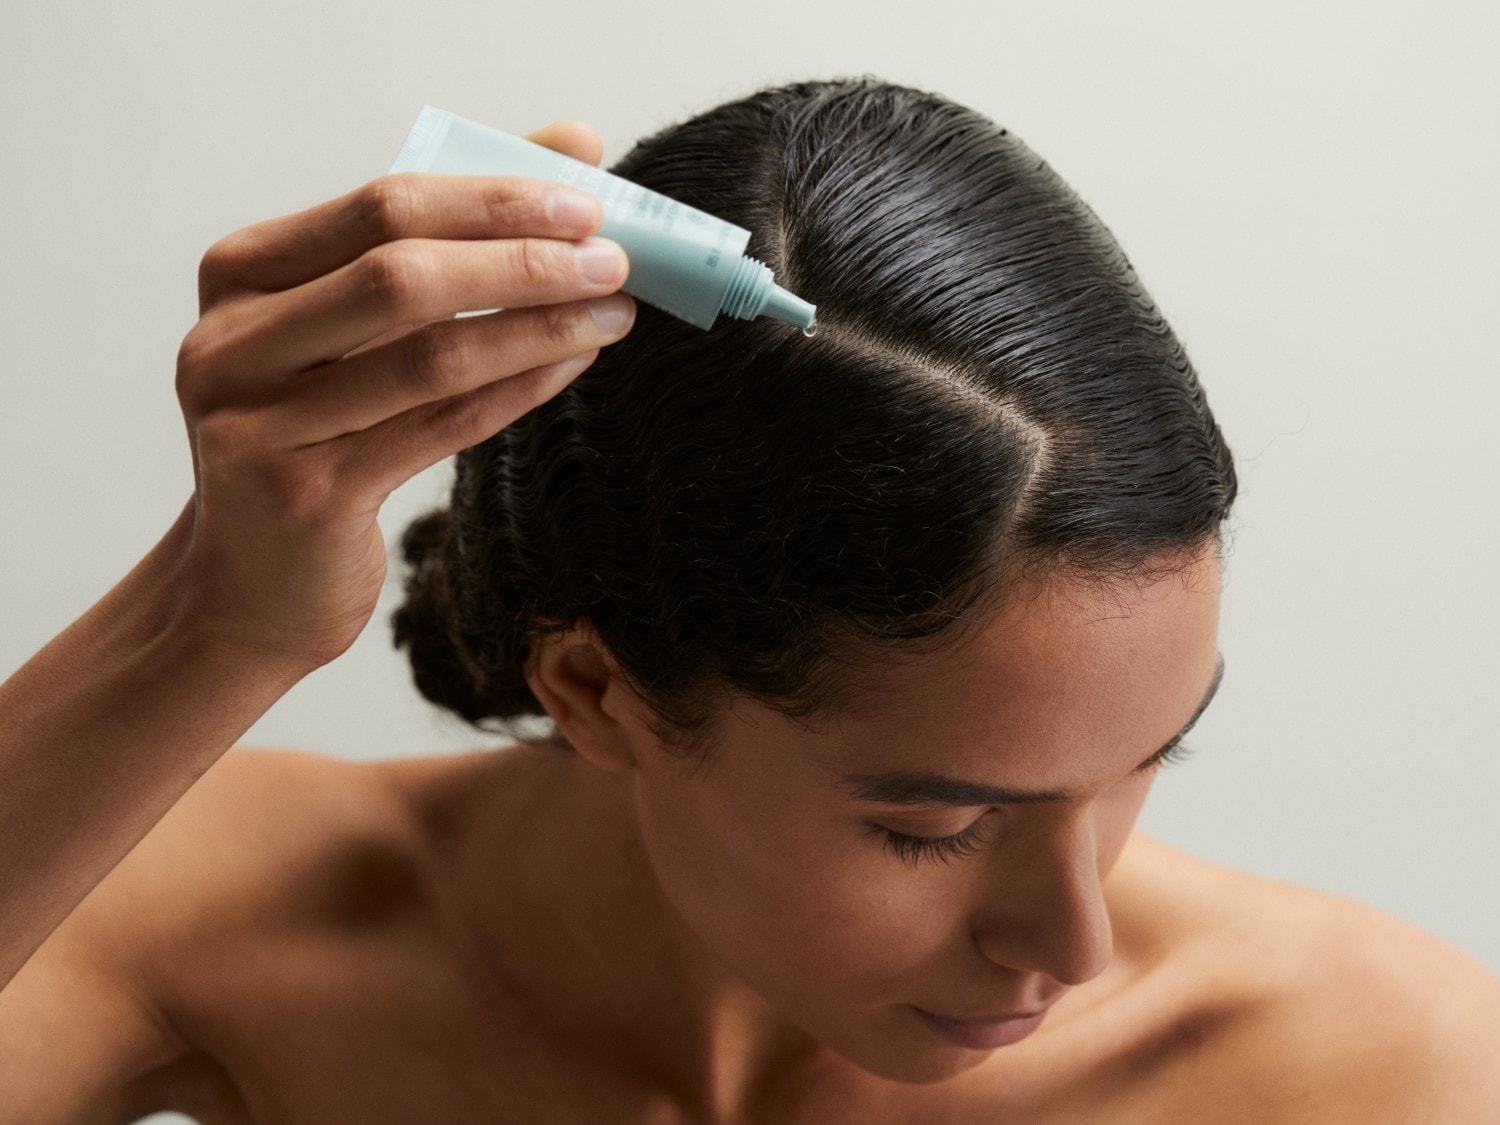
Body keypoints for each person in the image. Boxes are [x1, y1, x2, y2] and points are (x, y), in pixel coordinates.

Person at [1, 76, 1495, 1123]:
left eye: (1148, 761)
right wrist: (214, 623)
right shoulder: (226, 922)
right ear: (598, 689)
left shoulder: (1384, 1067)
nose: (1073, 939)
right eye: (935, 825)